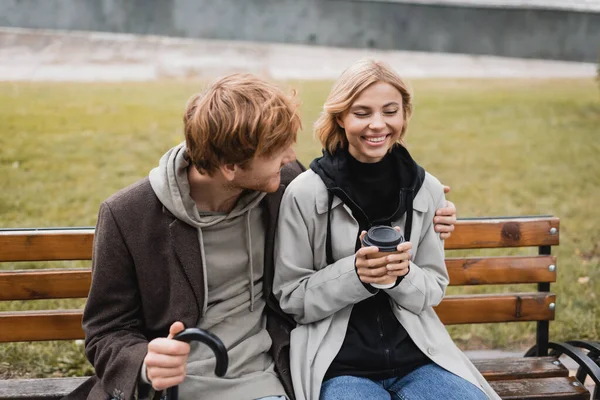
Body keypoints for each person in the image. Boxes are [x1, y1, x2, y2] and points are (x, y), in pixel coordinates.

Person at [67, 73, 457, 400]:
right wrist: (144, 360)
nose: (290, 156)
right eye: (276, 150)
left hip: (265, 378)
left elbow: (349, 204)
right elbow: (106, 331)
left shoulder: (284, 186)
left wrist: (431, 215)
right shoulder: (128, 215)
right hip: (174, 386)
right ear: (230, 166)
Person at [273, 59, 500, 400]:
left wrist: (402, 275)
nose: (377, 125)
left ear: (405, 114)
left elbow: (433, 290)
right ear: (341, 117)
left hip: (420, 359)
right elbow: (292, 298)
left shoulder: (427, 191)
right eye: (362, 113)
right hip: (341, 366)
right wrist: (357, 275)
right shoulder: (306, 194)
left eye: (390, 111)